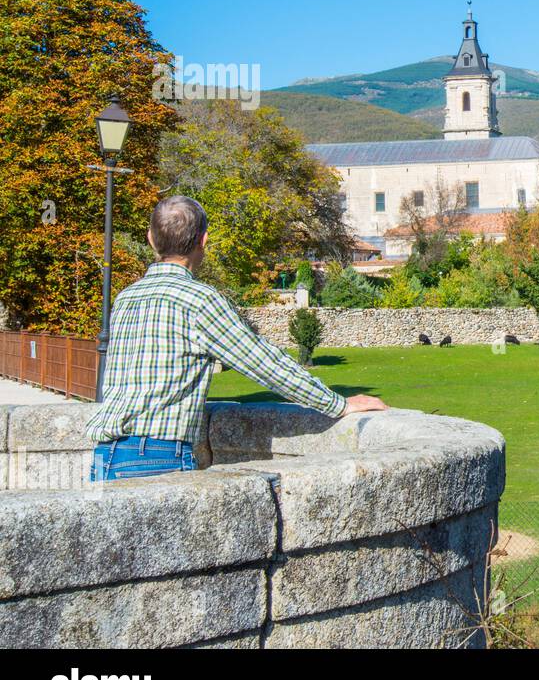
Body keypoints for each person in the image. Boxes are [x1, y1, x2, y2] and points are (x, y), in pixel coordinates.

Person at [86, 195, 386, 481]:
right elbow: (263, 363)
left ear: (151, 239)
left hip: (105, 455)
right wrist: (337, 404)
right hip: (156, 456)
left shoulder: (127, 297)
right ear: (204, 240)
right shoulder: (199, 300)